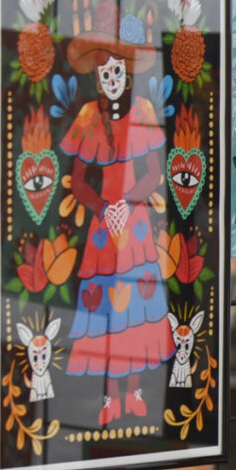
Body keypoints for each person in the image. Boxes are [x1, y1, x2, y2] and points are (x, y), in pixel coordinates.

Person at [59, 24, 171, 427]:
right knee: (107, 310)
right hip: (105, 227)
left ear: (127, 75)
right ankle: (110, 396)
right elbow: (77, 179)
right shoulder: (89, 116)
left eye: (117, 73)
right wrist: (104, 208)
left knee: (137, 309)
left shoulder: (141, 111)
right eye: (104, 75)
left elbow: (153, 172)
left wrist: (127, 201)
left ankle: (135, 390)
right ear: (97, 78)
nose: (111, 80)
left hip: (136, 224)